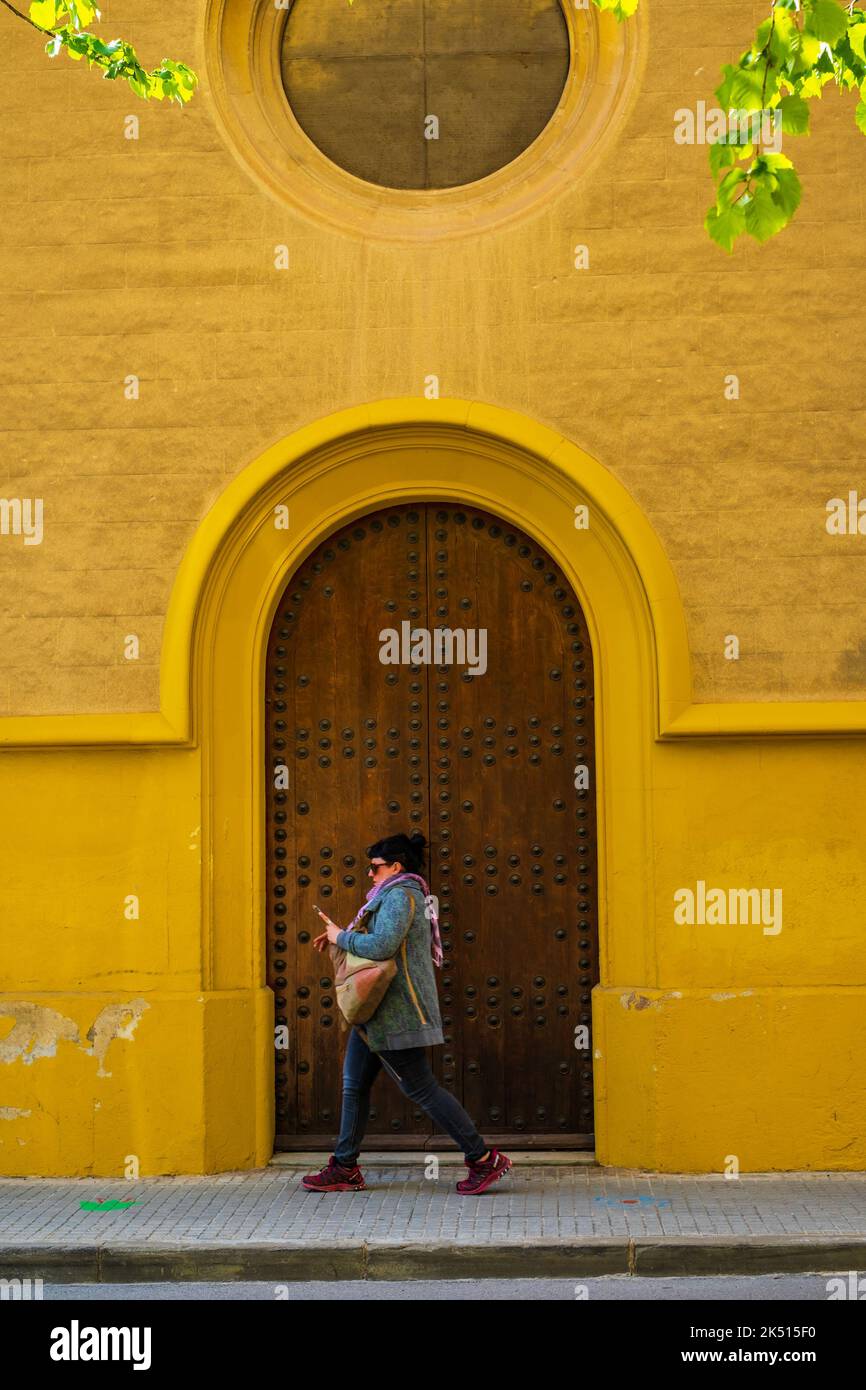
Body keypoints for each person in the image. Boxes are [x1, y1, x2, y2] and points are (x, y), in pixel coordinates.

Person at [302, 830, 513, 1195]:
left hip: (393, 1014)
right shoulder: (391, 895)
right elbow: (376, 941)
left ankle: (483, 1159)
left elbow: (382, 946)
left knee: (421, 1088)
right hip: (374, 1014)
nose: (369, 874)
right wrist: (342, 936)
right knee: (354, 1086)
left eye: (375, 867)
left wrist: (340, 937)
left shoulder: (400, 895)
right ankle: (344, 1166)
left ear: (395, 866)